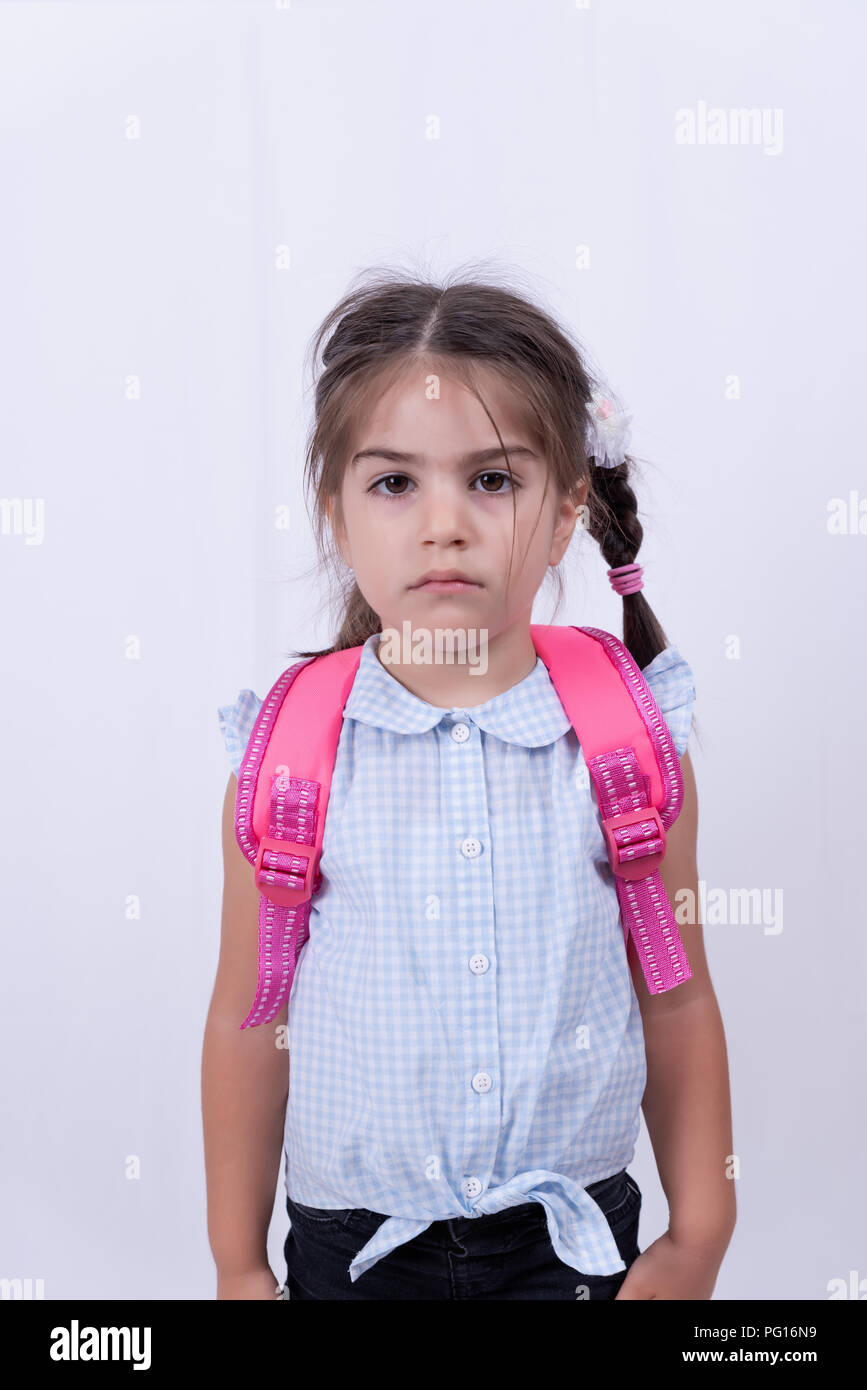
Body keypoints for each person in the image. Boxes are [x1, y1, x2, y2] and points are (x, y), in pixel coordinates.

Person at [202, 269, 736, 1300]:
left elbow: (677, 998)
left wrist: (698, 1234)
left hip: (571, 1254)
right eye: (395, 482)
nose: (443, 523)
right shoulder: (290, 755)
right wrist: (236, 1264)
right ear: (336, 510)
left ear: (568, 505)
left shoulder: (627, 743)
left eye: (492, 480)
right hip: (351, 1256)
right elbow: (246, 1014)